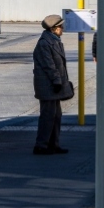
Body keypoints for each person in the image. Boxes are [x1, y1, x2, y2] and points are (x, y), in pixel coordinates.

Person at [33, 14, 71, 155]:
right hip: (48, 85)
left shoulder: (55, 41)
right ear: (53, 28)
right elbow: (49, 65)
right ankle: (41, 145)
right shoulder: (44, 43)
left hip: (54, 85)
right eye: (61, 26)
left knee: (56, 116)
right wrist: (56, 81)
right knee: (48, 116)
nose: (63, 29)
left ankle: (53, 144)